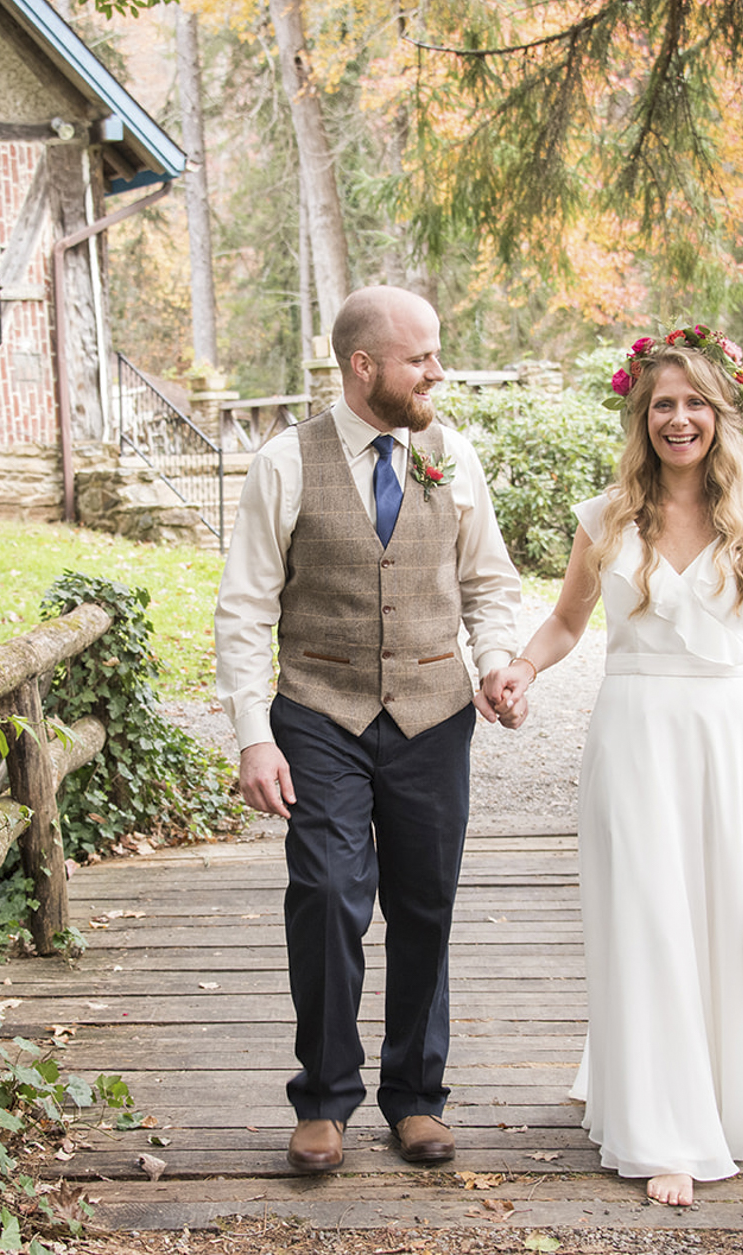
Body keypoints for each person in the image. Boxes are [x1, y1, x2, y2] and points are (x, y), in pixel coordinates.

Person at [482, 327, 743, 1206]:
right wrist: (523, 666)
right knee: (646, 917)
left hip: (723, 738)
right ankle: (666, 1127)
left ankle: (732, 1093)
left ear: (723, 415)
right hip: (634, 733)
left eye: (694, 404)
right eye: (662, 405)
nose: (679, 420)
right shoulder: (605, 517)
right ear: (642, 418)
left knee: (725, 914)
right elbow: (567, 620)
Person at [214, 285, 526, 1174]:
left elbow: (489, 584)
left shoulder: (451, 453)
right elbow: (243, 609)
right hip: (320, 712)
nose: (437, 371)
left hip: (434, 713)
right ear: (363, 367)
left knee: (424, 902)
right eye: (420, 357)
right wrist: (252, 734)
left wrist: (498, 657)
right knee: (326, 894)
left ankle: (417, 1096)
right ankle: (323, 1098)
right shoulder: (284, 462)